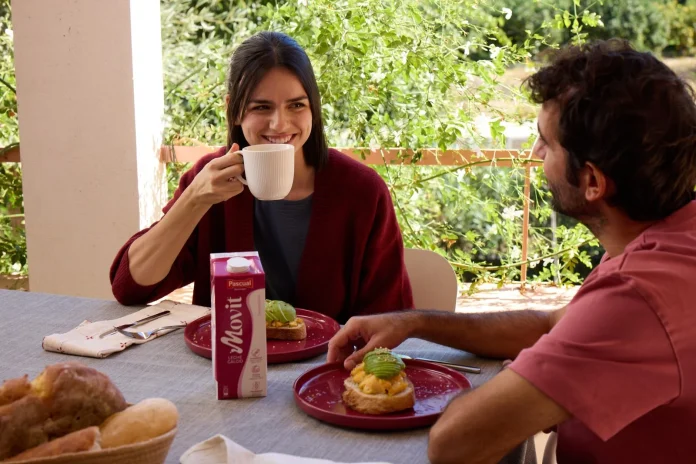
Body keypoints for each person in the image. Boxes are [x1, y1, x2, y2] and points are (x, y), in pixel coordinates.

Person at [328, 39, 696, 463]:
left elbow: (454, 443)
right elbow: (552, 325)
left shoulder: (637, 296)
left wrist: (522, 386)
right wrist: (413, 322)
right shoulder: (665, 242)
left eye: (546, 143)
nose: (536, 153)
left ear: (592, 182)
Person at [110, 32, 413, 323]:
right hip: (229, 363)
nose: (279, 124)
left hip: (327, 368)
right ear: (234, 111)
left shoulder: (361, 190)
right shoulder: (210, 180)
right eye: (261, 107)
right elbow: (131, 287)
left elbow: (390, 316)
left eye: (296, 105)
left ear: (314, 109)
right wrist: (193, 200)